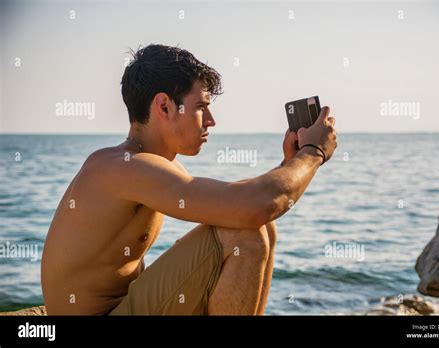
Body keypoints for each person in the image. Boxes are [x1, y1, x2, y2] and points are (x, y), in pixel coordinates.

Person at [41, 44, 337, 315]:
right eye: (201, 107)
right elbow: (255, 204)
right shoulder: (124, 167)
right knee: (243, 235)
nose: (211, 120)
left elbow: (247, 205)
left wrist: (288, 163)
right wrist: (313, 153)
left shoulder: (146, 166)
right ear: (165, 106)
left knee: (256, 226)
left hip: (123, 306)